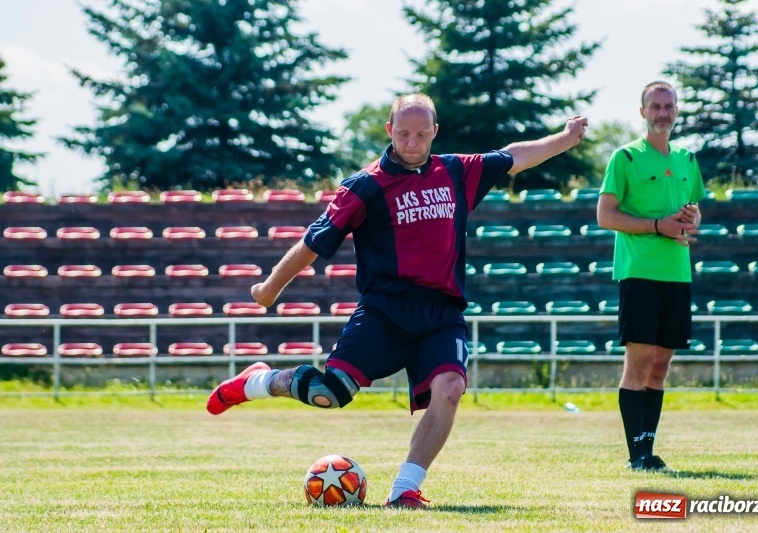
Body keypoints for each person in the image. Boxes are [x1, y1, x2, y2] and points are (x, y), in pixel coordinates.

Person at [207, 93, 588, 507]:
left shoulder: (455, 171)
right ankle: (258, 382)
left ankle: (404, 489)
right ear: (389, 130)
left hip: (441, 311)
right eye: (403, 133)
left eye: (421, 134)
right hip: (385, 311)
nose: (411, 142)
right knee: (330, 393)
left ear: (435, 132)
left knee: (450, 388)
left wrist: (564, 138)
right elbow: (312, 244)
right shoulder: (364, 186)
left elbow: (513, 157)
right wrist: (269, 289)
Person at [597, 81, 705, 471]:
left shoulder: (688, 159)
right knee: (639, 364)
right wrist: (659, 226)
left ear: (677, 111)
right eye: (655, 106)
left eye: (668, 106)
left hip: (677, 274)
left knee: (661, 365)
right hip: (639, 273)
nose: (663, 113)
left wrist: (692, 218)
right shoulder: (625, 157)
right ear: (642, 112)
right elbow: (605, 215)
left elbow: (694, 210)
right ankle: (636, 456)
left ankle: (648, 449)